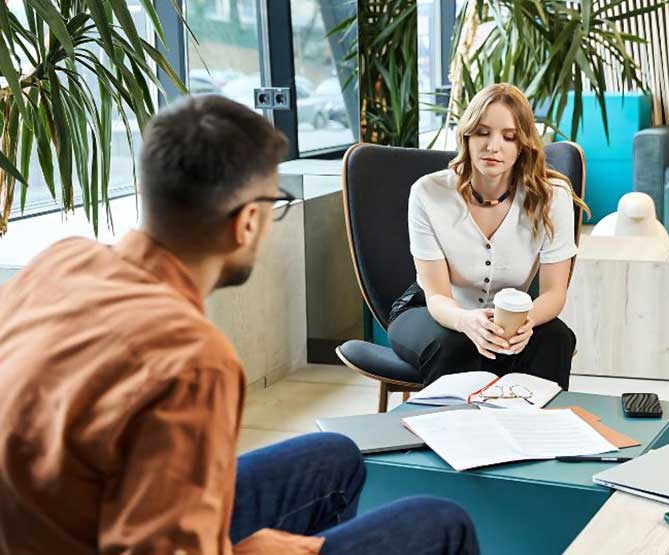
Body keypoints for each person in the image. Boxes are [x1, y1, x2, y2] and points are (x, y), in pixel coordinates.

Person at [0, 95, 478, 555]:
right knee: (440, 523)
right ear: (247, 222)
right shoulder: (192, 359)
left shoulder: (60, 260)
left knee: (332, 456)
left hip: (51, 526)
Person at [388, 83, 587, 391]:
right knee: (454, 345)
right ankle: (450, 437)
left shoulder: (552, 197)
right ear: (466, 135)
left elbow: (554, 293)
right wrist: (467, 322)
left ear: (522, 144)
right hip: (432, 310)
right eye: (482, 132)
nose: (494, 146)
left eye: (508, 137)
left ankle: (538, 435)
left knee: (556, 339)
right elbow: (437, 296)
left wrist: (526, 321)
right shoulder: (428, 193)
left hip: (511, 318)